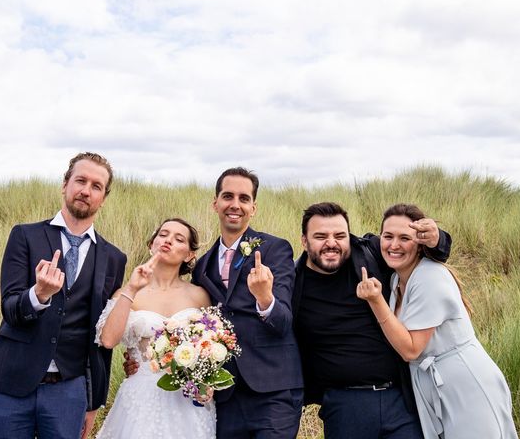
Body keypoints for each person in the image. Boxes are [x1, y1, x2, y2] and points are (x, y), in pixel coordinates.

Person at [125, 167, 304, 438]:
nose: (235, 204)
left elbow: (283, 322)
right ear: (216, 203)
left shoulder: (274, 249)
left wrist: (265, 297)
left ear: (253, 208)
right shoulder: (203, 267)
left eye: (244, 199)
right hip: (223, 395)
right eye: (228, 196)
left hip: (272, 391)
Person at [0, 152, 127, 439]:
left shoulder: (113, 258)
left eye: (96, 186)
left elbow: (101, 338)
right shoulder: (24, 235)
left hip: (68, 391)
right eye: (80, 180)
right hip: (13, 382)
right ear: (65, 184)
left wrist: (94, 400)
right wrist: (39, 294)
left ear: (104, 198)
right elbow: (10, 308)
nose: (86, 190)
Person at [292, 202, 452, 439]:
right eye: (320, 236)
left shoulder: (370, 252)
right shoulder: (293, 284)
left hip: (400, 399)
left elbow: (417, 250)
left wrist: (437, 239)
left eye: (339, 235)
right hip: (344, 405)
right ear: (304, 241)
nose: (331, 243)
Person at [357, 203, 518, 438]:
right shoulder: (396, 281)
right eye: (388, 236)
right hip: (432, 386)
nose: (394, 245)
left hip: (464, 383)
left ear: (421, 244)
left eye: (404, 238)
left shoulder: (429, 276)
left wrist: (375, 301)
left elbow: (411, 350)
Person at [94, 218, 215, 438]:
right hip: (141, 399)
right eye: (163, 234)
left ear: (189, 255)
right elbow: (108, 340)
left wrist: (207, 384)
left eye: (179, 239)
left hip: (187, 401)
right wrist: (131, 289)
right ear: (152, 244)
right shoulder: (127, 292)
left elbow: (211, 349)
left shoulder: (199, 295)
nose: (168, 240)